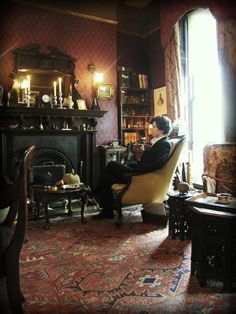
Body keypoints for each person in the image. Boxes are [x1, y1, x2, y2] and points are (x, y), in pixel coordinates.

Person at [93, 115, 172, 219]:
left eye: (154, 126)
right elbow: (144, 161)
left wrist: (137, 170)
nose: (151, 128)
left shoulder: (164, 143)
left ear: (161, 129)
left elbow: (159, 163)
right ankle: (107, 210)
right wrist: (130, 164)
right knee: (109, 178)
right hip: (138, 171)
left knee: (112, 165)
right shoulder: (158, 141)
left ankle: (95, 194)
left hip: (141, 176)